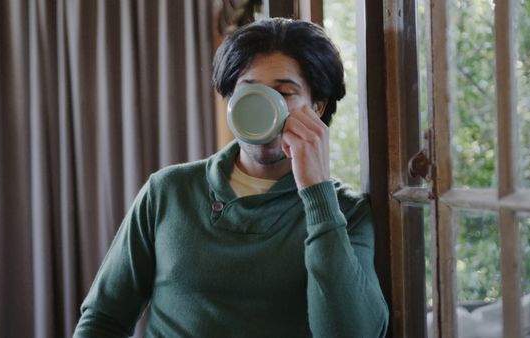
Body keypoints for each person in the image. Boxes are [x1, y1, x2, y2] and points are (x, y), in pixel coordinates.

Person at [73, 17, 389, 338]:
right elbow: (103, 320)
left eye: (285, 92)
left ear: (317, 107)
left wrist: (318, 193)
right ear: (230, 103)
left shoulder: (346, 213)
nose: (265, 108)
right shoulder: (168, 192)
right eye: (249, 93)